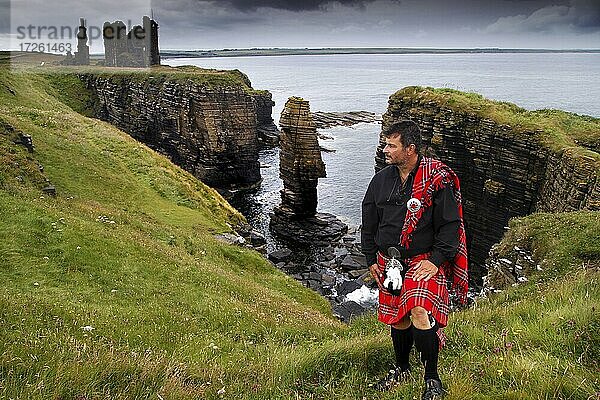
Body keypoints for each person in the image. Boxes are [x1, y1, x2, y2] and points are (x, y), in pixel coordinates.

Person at [361, 120, 468, 399]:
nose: (385, 150)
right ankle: (401, 368)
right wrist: (370, 255)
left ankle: (432, 378)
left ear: (410, 149)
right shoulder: (381, 180)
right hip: (389, 262)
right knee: (398, 319)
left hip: (422, 261)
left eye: (391, 145)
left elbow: (450, 224)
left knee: (419, 310)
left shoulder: (437, 179)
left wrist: (435, 260)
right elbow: (369, 218)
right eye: (386, 144)